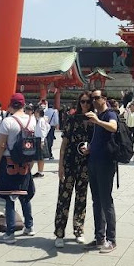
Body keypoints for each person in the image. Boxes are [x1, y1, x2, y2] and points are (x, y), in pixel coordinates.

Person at [0, 93, 37, 244]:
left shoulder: (8, 121)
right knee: (24, 195)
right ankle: (29, 226)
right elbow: (38, 143)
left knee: (10, 197)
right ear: (24, 105)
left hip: (9, 161)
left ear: (11, 104)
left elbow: (1, 145)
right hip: (26, 162)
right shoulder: (32, 120)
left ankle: (10, 232)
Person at [54, 91, 93, 247]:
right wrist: (60, 165)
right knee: (64, 198)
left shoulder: (94, 121)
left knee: (81, 198)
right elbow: (63, 145)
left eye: (88, 101)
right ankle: (59, 233)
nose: (85, 104)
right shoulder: (71, 119)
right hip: (70, 163)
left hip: (86, 164)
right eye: (82, 101)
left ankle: (79, 229)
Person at [83, 89, 118, 253]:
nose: (93, 100)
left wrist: (97, 121)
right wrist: (89, 148)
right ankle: (99, 237)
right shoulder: (96, 116)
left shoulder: (109, 113)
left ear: (104, 98)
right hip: (93, 161)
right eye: (92, 98)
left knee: (106, 200)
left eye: (96, 98)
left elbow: (113, 127)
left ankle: (111, 239)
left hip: (106, 163)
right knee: (96, 200)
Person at [32, 107, 50, 178]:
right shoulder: (41, 120)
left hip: (40, 139)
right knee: (39, 157)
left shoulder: (41, 120)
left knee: (41, 157)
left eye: (36, 112)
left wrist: (42, 139)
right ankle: (40, 171)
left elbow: (43, 130)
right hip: (39, 138)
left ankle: (41, 171)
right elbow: (48, 127)